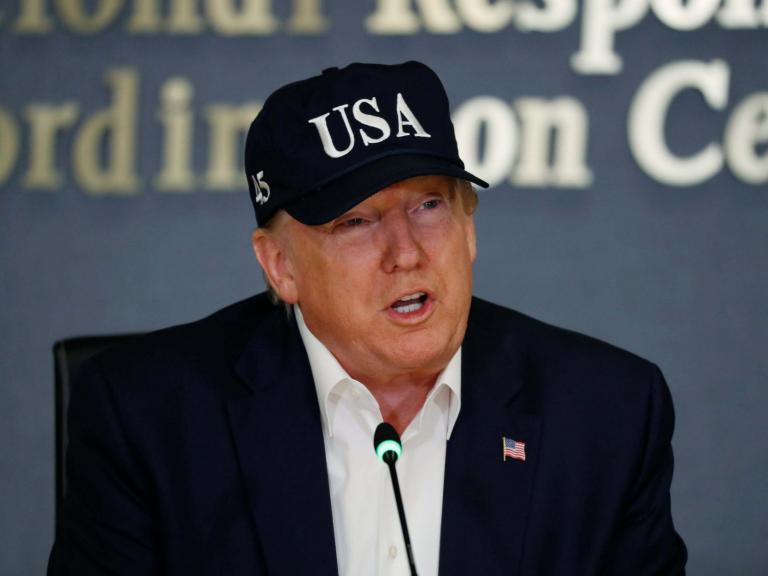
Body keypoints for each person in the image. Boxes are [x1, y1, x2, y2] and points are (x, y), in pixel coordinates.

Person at [49, 61, 686, 575]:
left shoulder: (606, 414)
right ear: (280, 266)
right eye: (355, 221)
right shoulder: (149, 419)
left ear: (469, 227)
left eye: (430, 206)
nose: (405, 252)